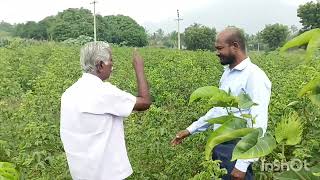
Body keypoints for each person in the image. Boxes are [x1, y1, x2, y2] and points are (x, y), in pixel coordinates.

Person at [171, 27, 271, 180]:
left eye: (219, 48)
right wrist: (190, 130)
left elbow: (259, 125)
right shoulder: (228, 73)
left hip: (237, 150)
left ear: (235, 46)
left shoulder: (254, 77)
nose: (216, 52)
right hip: (221, 148)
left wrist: (242, 165)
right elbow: (219, 111)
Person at [60, 41, 151, 180]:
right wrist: (139, 67)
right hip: (106, 175)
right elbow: (145, 102)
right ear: (100, 65)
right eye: (111, 62)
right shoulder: (103, 92)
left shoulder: (69, 93)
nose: (112, 66)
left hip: (81, 174)